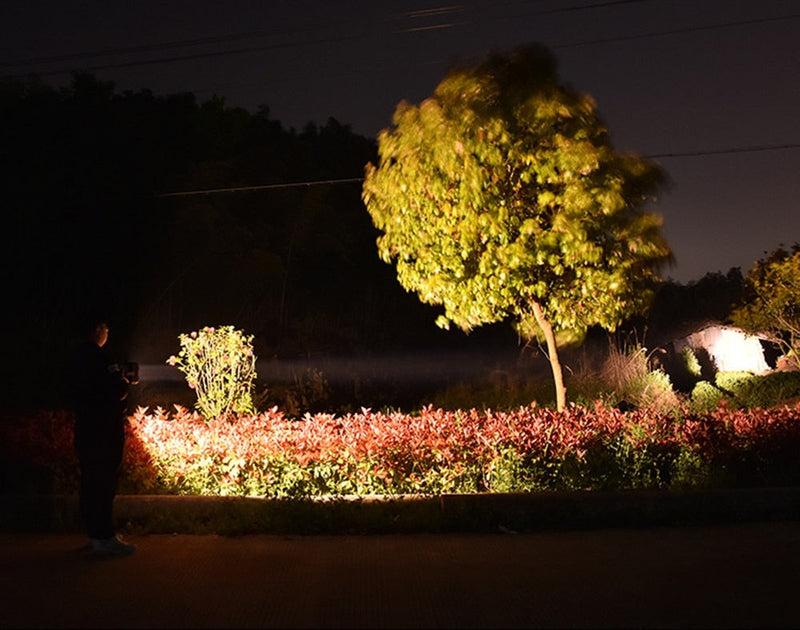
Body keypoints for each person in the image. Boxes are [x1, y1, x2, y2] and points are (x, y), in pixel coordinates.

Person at [66, 318, 136, 557]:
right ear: (97, 330)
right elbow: (116, 390)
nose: (107, 333)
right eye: (106, 329)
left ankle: (94, 534)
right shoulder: (98, 358)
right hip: (104, 428)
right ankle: (105, 537)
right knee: (104, 482)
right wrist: (123, 381)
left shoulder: (74, 357)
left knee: (90, 481)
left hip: (85, 426)